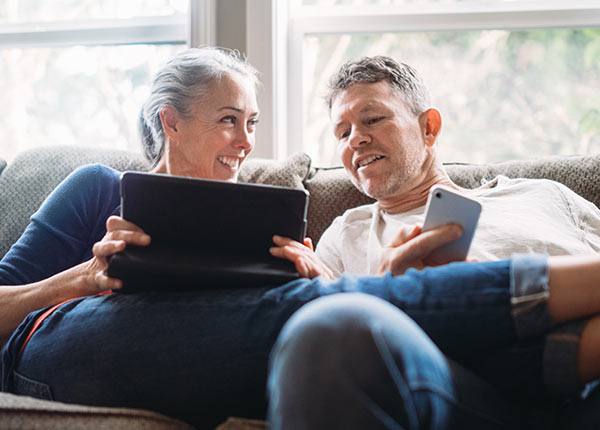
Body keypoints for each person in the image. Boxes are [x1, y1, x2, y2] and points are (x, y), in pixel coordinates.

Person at [1, 48, 600, 430]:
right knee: (327, 312)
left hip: (219, 351)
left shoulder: (257, 220)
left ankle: (560, 352)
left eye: (252, 124)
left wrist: (301, 275)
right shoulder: (98, 189)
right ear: (172, 121)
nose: (244, 141)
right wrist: (82, 279)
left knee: (319, 315)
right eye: (229, 120)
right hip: (64, 340)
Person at [267, 56, 600, 428]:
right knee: (329, 328)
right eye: (342, 133)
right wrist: (386, 294)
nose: (356, 138)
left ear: (429, 127)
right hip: (461, 394)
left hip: (588, 387)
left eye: (372, 119)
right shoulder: (348, 233)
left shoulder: (544, 197)